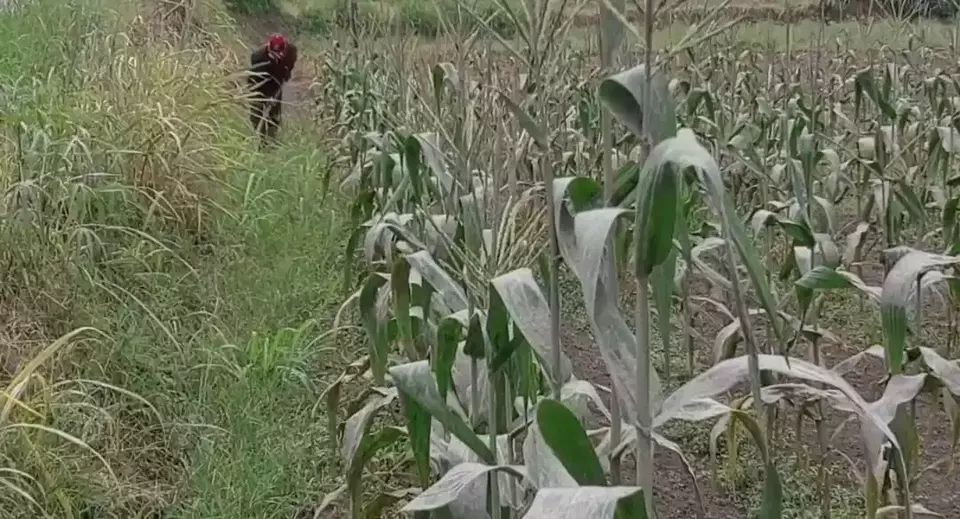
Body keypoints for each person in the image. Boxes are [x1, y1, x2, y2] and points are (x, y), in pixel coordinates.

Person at [248, 33, 298, 148]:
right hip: (260, 83)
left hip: (276, 82)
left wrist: (286, 73)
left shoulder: (291, 51)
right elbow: (254, 78)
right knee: (256, 113)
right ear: (269, 48)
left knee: (274, 115)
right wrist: (262, 95)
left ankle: (271, 140)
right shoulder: (257, 57)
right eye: (274, 54)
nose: (277, 56)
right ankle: (260, 139)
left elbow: (290, 64)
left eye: (280, 53)